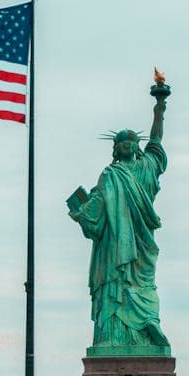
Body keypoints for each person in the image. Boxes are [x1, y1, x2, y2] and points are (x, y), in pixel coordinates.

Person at [69, 94, 171, 352]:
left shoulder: (130, 170)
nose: (127, 145)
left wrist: (159, 108)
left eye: (129, 142)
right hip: (122, 242)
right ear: (119, 148)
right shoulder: (117, 173)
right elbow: (98, 208)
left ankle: (137, 328)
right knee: (135, 284)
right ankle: (134, 328)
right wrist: (83, 212)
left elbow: (157, 140)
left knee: (133, 284)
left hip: (131, 242)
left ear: (135, 146)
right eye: (123, 142)